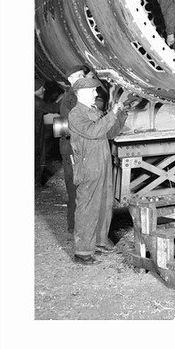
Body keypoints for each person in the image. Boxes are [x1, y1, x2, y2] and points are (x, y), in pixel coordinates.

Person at [68, 77, 128, 265]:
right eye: (92, 91)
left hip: (102, 161)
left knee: (104, 202)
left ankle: (100, 242)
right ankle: (83, 252)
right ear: (81, 93)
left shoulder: (95, 111)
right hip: (88, 165)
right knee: (87, 207)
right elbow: (93, 131)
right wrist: (112, 113)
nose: (96, 93)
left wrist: (121, 114)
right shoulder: (76, 114)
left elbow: (109, 133)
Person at [58, 64, 89, 234]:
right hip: (71, 146)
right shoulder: (70, 99)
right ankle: (74, 225)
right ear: (70, 80)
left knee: (79, 184)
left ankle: (79, 224)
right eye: (77, 76)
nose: (81, 79)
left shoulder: (76, 96)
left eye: (82, 76)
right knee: (74, 185)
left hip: (75, 144)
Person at [34, 78, 60, 187]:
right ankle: (36, 183)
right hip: (36, 134)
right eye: (41, 87)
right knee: (38, 157)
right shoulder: (36, 101)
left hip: (37, 132)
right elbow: (53, 108)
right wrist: (63, 100)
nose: (44, 89)